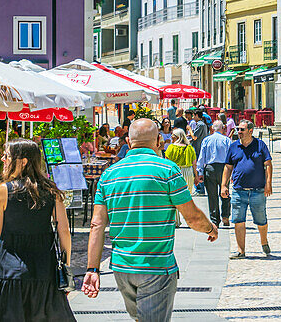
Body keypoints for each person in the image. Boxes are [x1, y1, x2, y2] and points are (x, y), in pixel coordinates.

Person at [82, 118, 217, 322]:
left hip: (122, 267)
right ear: (159, 142)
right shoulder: (168, 171)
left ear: (128, 141)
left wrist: (93, 269)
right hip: (156, 266)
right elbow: (192, 217)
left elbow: (97, 225)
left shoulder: (109, 175)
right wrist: (210, 229)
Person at [0, 139, 75, 321]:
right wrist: (65, 267)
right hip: (44, 268)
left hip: (9, 269)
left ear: (23, 161)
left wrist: (6, 258)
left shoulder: (3, 191)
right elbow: (64, 231)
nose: (2, 159)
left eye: (7, 156)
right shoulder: (51, 191)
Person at [221, 120, 272, 259]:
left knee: (261, 220)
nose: (239, 132)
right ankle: (241, 251)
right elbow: (228, 167)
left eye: (242, 129)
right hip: (238, 190)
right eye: (238, 129)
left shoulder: (260, 145)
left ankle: (264, 241)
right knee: (238, 220)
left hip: (257, 191)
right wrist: (224, 185)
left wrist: (268, 184)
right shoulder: (233, 146)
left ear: (250, 131)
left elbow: (267, 165)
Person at [196, 120, 232, 228]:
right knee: (225, 191)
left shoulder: (206, 140)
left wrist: (200, 171)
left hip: (210, 168)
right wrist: (233, 173)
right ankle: (225, 216)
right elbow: (231, 158)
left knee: (212, 195)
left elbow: (201, 157)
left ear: (212, 128)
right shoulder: (227, 140)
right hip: (224, 168)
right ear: (223, 129)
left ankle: (214, 219)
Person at [165, 128, 197, 225]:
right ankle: (190, 220)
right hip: (187, 172)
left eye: (173, 136)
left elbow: (166, 162)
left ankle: (176, 221)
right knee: (186, 198)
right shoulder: (189, 148)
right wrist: (196, 176)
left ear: (178, 137)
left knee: (173, 197)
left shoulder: (171, 148)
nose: (171, 137)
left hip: (175, 172)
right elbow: (194, 163)